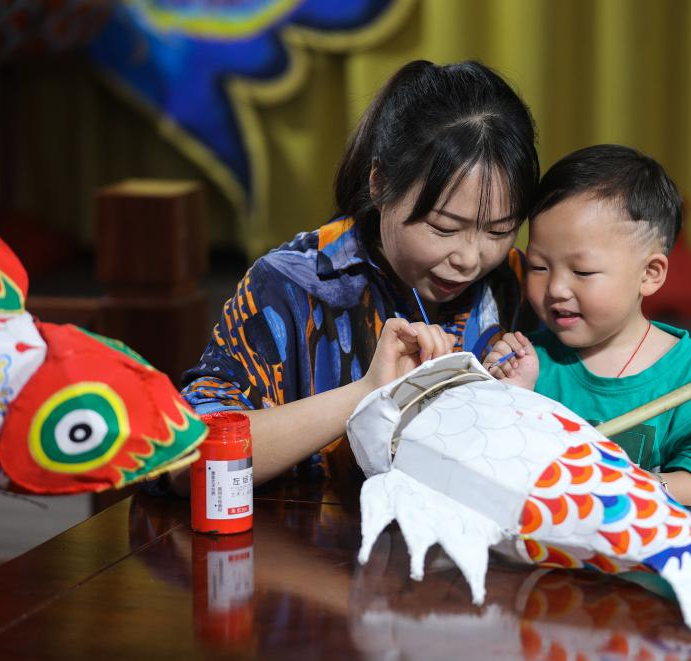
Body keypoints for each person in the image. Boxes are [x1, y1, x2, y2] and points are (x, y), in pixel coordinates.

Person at [169, 60, 539, 493]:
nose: (471, 260)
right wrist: (368, 392)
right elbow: (184, 464)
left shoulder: (520, 282)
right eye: (443, 228)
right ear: (380, 184)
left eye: (499, 231)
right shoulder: (291, 285)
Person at [485, 145, 691, 507]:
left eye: (582, 271)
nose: (556, 288)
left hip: (641, 537)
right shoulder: (530, 361)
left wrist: (629, 486)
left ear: (649, 274)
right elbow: (496, 464)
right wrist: (510, 396)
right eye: (539, 267)